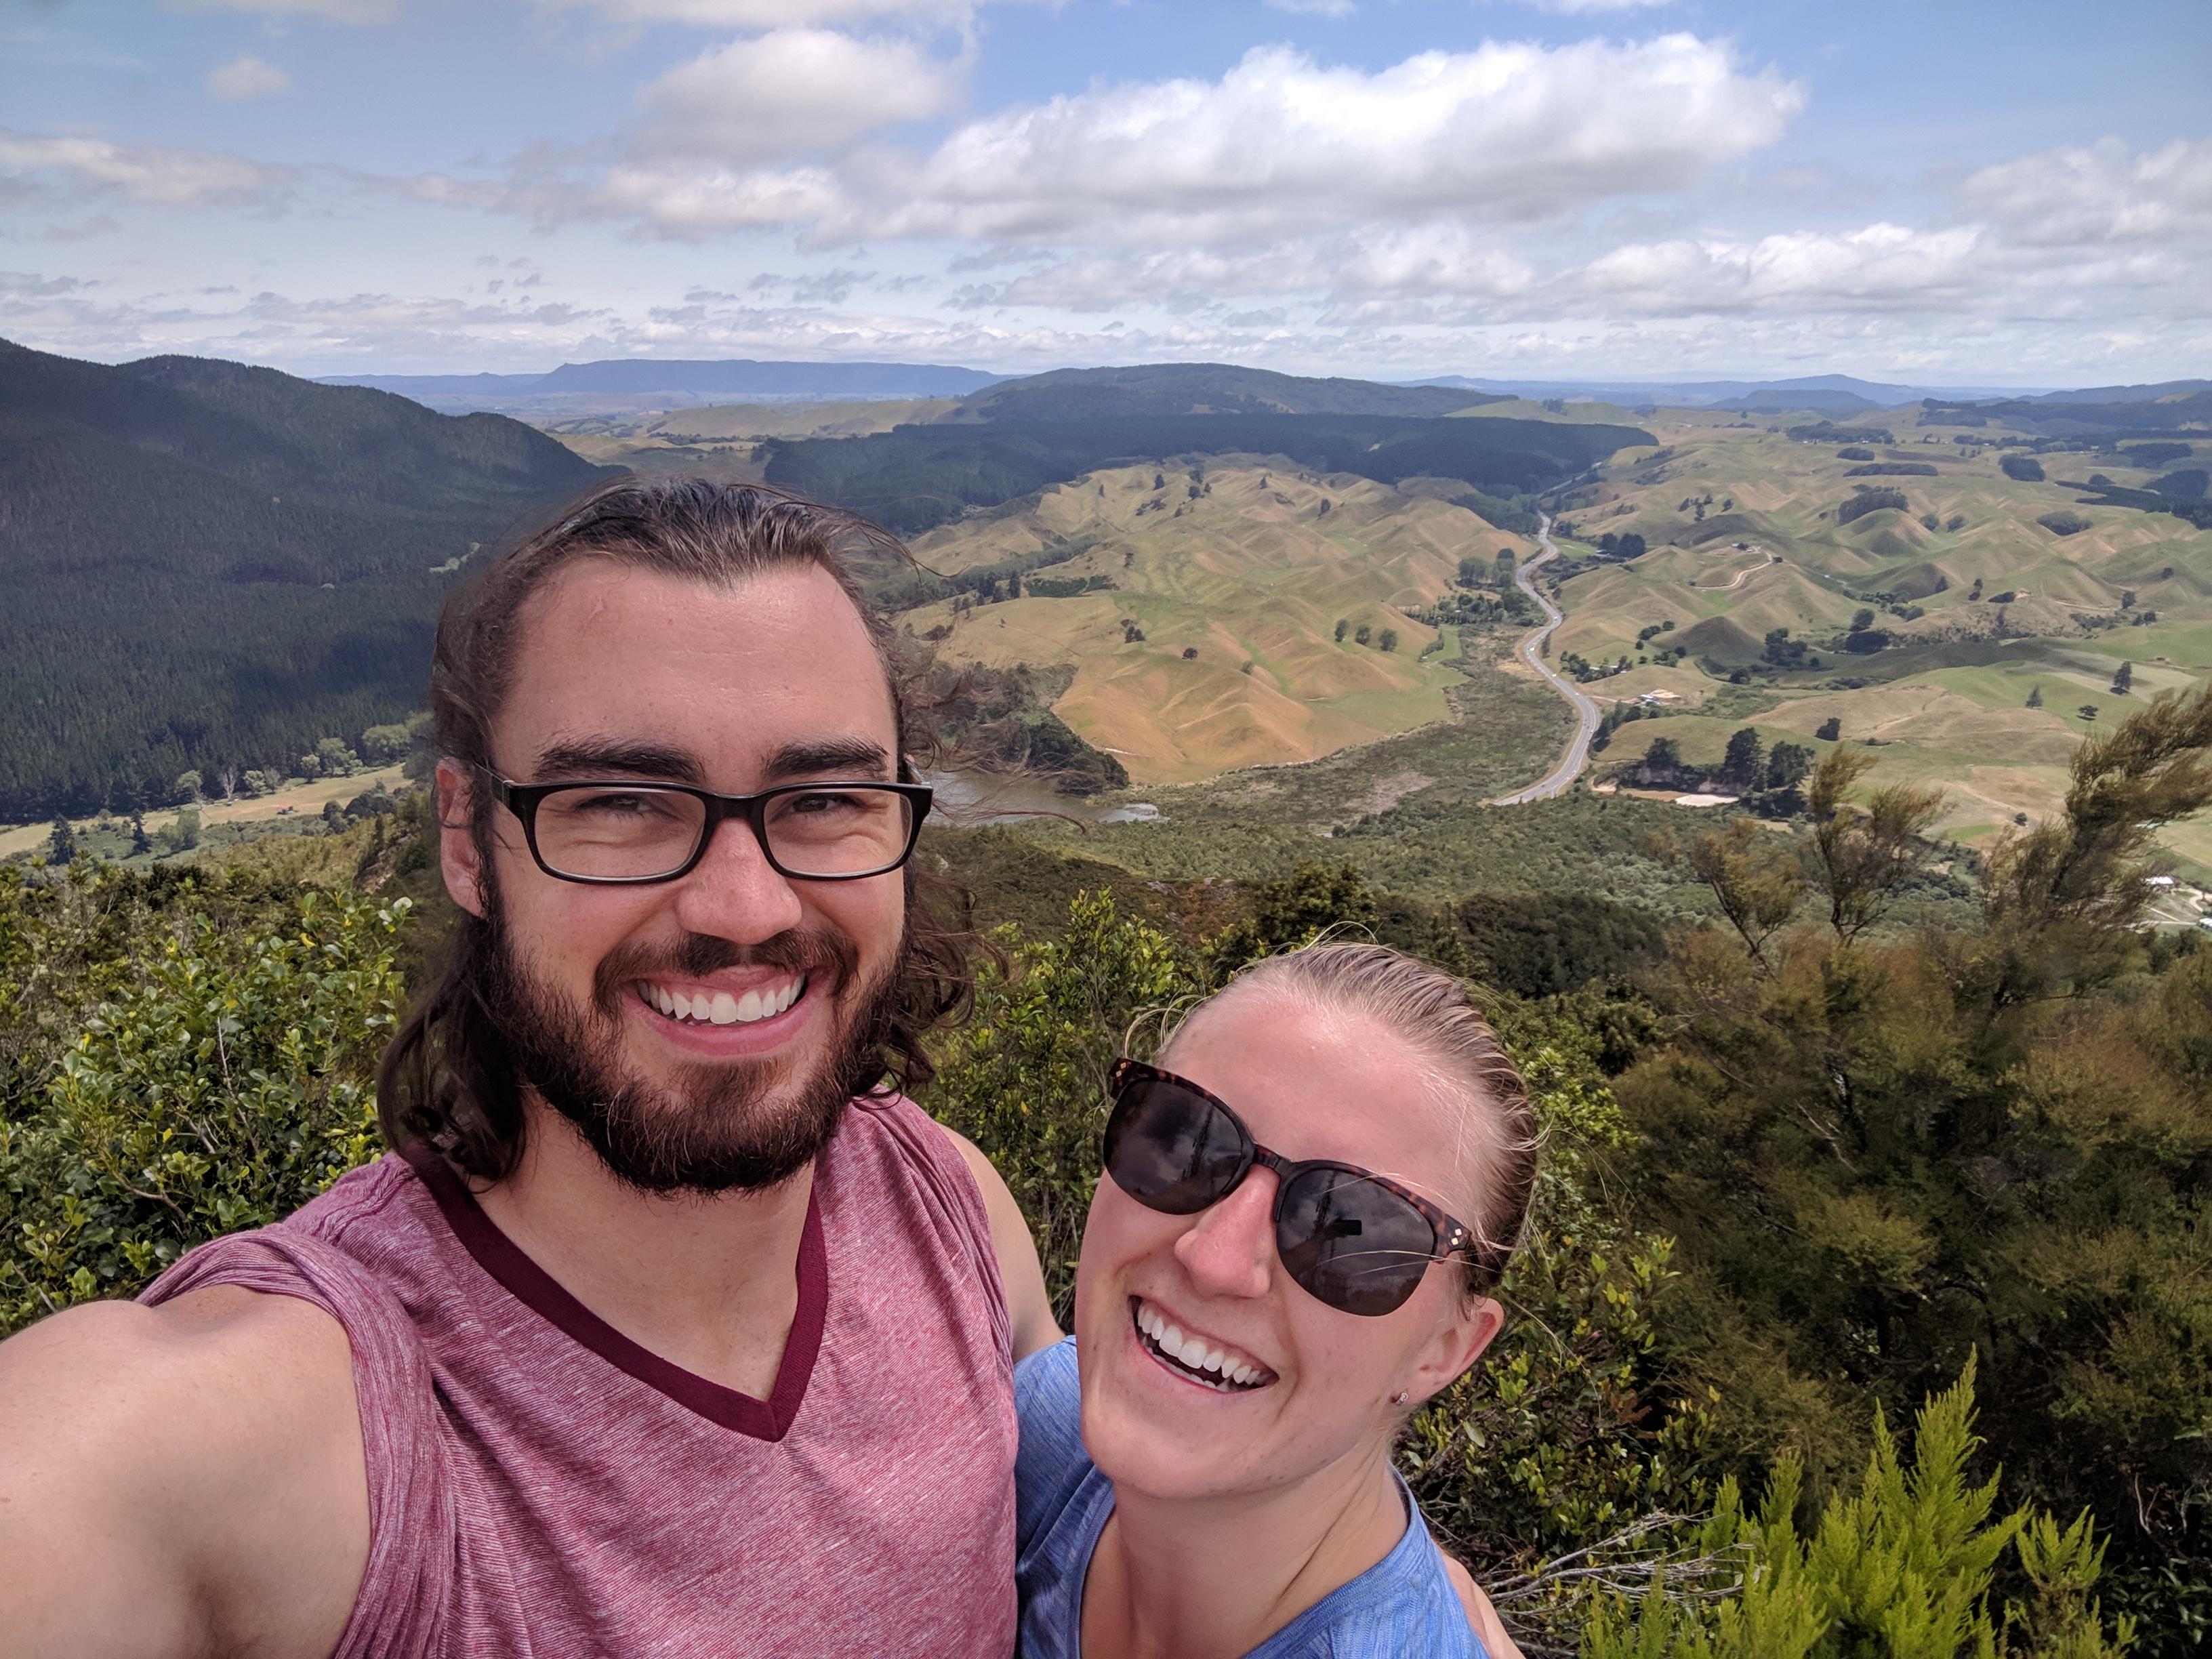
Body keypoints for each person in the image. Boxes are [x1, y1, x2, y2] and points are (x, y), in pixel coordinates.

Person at [0, 476, 1060, 1657]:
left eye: (821, 798)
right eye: (619, 800)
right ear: (468, 842)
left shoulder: (950, 1208)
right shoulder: (317, 1416)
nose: (744, 905)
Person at [1015, 941, 1537, 1658]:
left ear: (1447, 1350)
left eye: (1348, 1228)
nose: (1215, 1258)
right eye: (1187, 1140)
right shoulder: (1033, 1429)